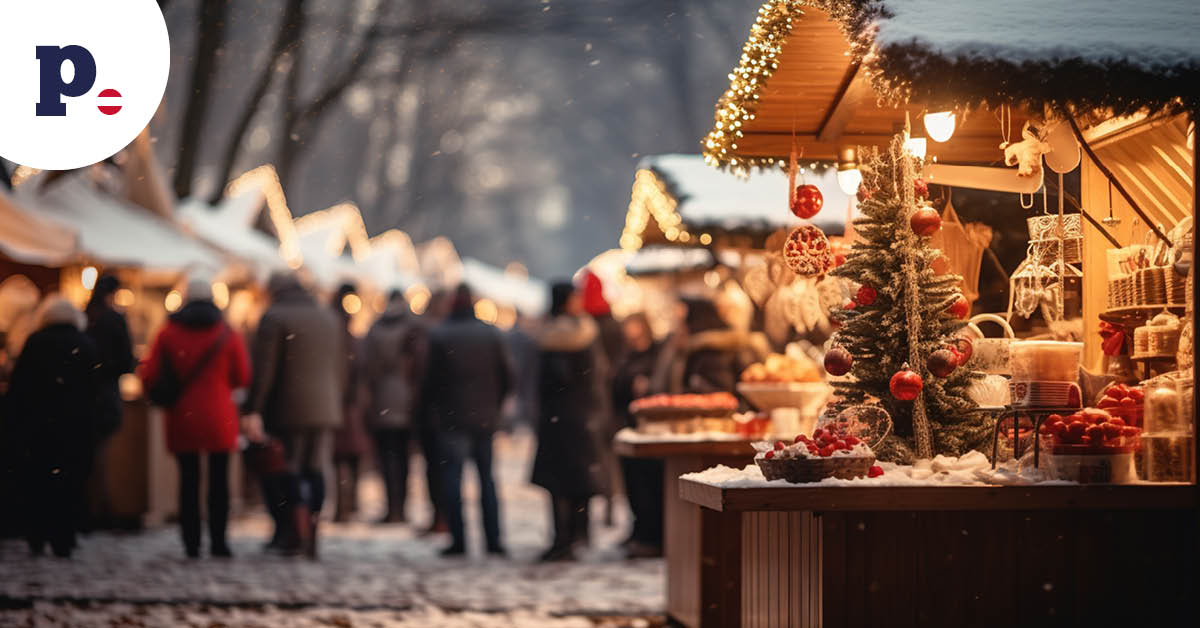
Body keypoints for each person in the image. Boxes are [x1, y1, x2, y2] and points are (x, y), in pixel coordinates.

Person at [139, 280, 250, 558]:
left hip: (183, 415)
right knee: (219, 482)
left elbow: (149, 374)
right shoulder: (227, 332)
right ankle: (219, 541)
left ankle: (191, 542)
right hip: (218, 416)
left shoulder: (168, 333)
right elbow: (243, 376)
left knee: (188, 481)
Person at [244, 273, 343, 558]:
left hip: (287, 407)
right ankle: (311, 528)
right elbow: (341, 367)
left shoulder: (274, 317)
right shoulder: (328, 317)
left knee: (288, 469)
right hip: (325, 407)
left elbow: (264, 370)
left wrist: (253, 408)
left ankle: (294, 532)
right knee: (315, 469)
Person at [422, 284, 513, 557]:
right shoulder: (490, 333)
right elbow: (508, 377)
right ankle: (493, 540)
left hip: (452, 418)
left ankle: (458, 539)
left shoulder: (439, 335)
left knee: (453, 479)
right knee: (487, 479)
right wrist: (493, 405)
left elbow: (430, 382)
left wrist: (437, 410)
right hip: (484, 418)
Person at [5, 298, 101, 557]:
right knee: (70, 482)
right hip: (75, 426)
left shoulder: (35, 343)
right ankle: (64, 537)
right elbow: (95, 390)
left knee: (38, 480)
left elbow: (20, 387)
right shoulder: (85, 344)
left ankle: (37, 534)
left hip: (39, 425)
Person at [531, 282, 609, 562]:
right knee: (577, 480)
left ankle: (565, 538)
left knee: (562, 483)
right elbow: (595, 376)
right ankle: (576, 535)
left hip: (560, 418)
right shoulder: (586, 332)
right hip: (580, 417)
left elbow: (549, 381)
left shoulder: (550, 335)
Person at [362, 290, 426, 524]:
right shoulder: (414, 328)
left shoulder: (375, 328)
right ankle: (401, 507)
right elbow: (420, 365)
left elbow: (365, 364)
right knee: (403, 458)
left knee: (386, 457)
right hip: (407, 401)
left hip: (381, 400)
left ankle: (392, 507)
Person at [83, 274, 135, 528]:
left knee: (86, 456)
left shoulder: (85, 316)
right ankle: (99, 510)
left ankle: (88, 510)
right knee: (101, 457)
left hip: (83, 397)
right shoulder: (114, 319)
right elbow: (126, 361)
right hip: (105, 396)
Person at [611, 313, 664, 558]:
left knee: (649, 487)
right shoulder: (626, 355)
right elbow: (615, 385)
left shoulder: (658, 354)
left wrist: (647, 386)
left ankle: (650, 535)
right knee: (632, 484)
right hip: (629, 426)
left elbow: (660, 386)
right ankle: (638, 530)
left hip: (651, 429)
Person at [578, 270, 624, 528]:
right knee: (608, 459)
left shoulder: (587, 327)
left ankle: (604, 507)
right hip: (609, 402)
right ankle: (608, 506)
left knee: (600, 458)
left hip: (597, 403)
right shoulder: (612, 323)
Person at [331, 283, 369, 522]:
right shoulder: (344, 336)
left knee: (344, 455)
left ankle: (347, 504)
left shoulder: (339, 333)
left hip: (342, 402)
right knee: (346, 455)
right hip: (345, 402)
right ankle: (346, 503)